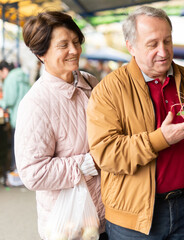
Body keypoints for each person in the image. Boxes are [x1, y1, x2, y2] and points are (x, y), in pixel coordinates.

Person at [86, 6, 184, 240]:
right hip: (133, 220)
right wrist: (161, 139)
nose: (164, 51)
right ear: (131, 46)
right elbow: (105, 154)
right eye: (152, 44)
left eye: (167, 41)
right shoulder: (109, 91)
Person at [14, 11, 107, 240]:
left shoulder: (90, 82)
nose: (74, 50)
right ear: (41, 54)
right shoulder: (36, 104)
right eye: (63, 45)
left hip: (105, 216)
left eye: (76, 42)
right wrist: (89, 162)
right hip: (69, 226)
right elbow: (32, 173)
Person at [0, 60, 30, 182]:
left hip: (17, 117)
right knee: (24, 147)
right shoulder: (22, 75)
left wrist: (2, 102)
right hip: (27, 115)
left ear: (4, 70)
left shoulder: (11, 78)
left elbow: (10, 100)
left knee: (16, 146)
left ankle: (15, 174)